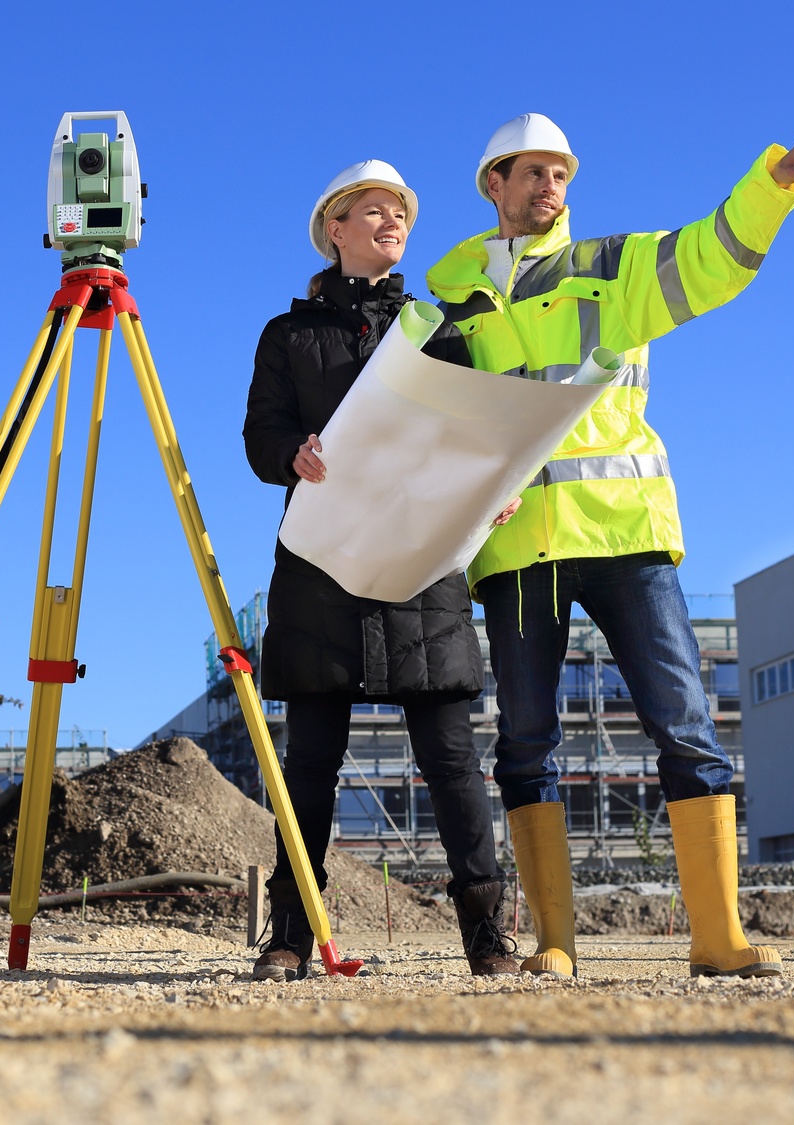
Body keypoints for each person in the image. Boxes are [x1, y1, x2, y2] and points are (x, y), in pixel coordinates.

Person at [426, 114, 794, 979]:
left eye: (561, 173)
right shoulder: (453, 304)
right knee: (526, 744)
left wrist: (778, 184)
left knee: (685, 726)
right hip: (516, 552)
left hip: (625, 531)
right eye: (533, 172)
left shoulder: (613, 268)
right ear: (493, 186)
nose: (551, 187)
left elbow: (710, 257)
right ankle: (554, 943)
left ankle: (717, 936)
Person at [243, 160, 518, 981]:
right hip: (324, 563)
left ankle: (488, 937)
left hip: (420, 564)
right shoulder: (287, 337)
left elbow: (476, 432)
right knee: (310, 765)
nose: (391, 222)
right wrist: (292, 453)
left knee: (451, 759)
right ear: (337, 227)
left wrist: (491, 492)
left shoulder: (435, 328)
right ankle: (289, 934)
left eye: (398, 212)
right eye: (374, 211)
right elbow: (260, 438)